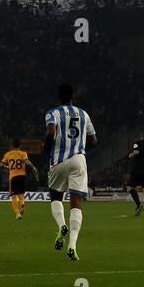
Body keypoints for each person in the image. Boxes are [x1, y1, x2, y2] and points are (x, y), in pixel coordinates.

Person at [45, 83, 96, 261]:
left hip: (58, 160)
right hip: (78, 160)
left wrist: (46, 148)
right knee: (76, 204)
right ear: (72, 96)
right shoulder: (84, 114)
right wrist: (79, 145)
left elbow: (51, 133)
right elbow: (93, 141)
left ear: (59, 97)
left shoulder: (53, 113)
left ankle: (61, 225)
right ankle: (72, 246)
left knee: (55, 196)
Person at [0, 139, 32, 219]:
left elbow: (1, 164)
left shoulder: (8, 154)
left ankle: (17, 214)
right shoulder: (23, 153)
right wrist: (33, 167)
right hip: (22, 176)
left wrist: (8, 167)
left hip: (13, 177)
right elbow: (27, 162)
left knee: (13, 196)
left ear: (12, 145)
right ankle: (22, 203)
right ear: (19, 145)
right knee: (21, 193)